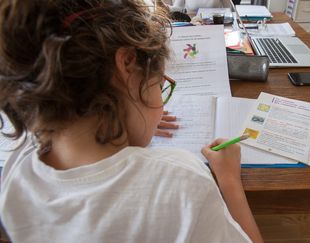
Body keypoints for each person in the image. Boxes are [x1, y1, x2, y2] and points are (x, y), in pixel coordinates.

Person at [0, 0, 263, 242]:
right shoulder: (182, 181)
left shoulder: (15, 174)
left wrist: (127, 112)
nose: (160, 106)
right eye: (160, 86)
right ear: (126, 64)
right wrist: (229, 180)